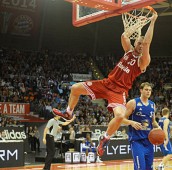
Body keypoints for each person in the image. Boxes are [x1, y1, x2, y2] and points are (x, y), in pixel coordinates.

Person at [52, 9, 158, 157]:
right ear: (135, 43)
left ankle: (105, 137)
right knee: (75, 88)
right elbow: (124, 35)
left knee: (120, 116)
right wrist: (138, 23)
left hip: (118, 91)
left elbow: (147, 43)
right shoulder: (128, 51)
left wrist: (151, 22)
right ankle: (68, 113)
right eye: (138, 43)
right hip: (106, 83)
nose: (141, 45)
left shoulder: (142, 61)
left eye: (142, 45)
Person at [122, 82, 160, 170]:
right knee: (140, 168)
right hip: (137, 141)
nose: (148, 92)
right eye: (146, 89)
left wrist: (159, 128)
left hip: (149, 141)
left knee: (149, 169)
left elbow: (153, 121)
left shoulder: (152, 104)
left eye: (150, 90)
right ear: (141, 90)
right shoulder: (133, 103)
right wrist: (131, 122)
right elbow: (121, 119)